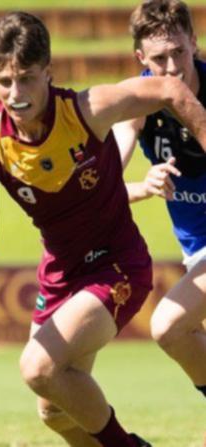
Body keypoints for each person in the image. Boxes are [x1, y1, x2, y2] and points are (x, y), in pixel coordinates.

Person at [0, 11, 206, 447]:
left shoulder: (87, 110)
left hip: (116, 266)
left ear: (48, 72)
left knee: (37, 366)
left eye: (28, 78)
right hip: (60, 276)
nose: (16, 94)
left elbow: (169, 88)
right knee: (55, 410)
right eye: (4, 81)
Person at [113, 0, 206, 402]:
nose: (171, 69)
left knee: (168, 323)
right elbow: (102, 185)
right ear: (140, 58)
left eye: (179, 53)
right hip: (197, 251)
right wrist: (142, 186)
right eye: (158, 59)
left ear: (195, 43)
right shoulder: (134, 102)